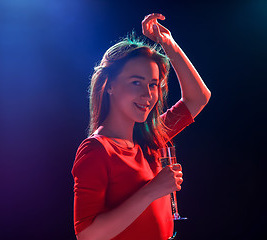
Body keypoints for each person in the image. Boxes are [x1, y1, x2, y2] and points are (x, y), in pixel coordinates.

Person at [72, 13, 211, 240]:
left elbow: (199, 98)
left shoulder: (152, 137)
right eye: (136, 82)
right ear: (110, 86)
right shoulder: (96, 150)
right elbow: (88, 236)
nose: (147, 95)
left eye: (153, 85)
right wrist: (152, 191)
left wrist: (169, 45)